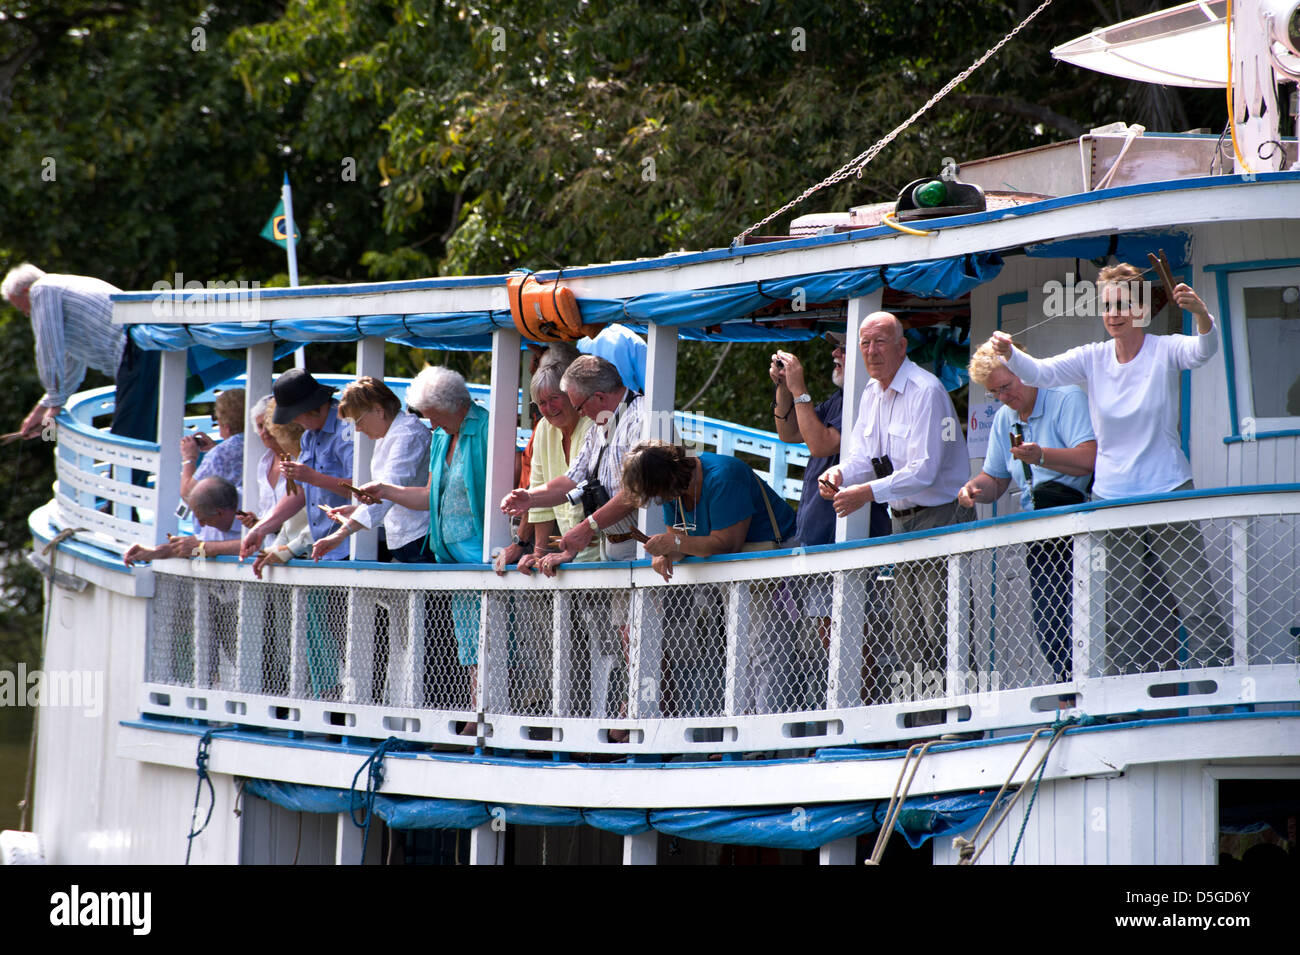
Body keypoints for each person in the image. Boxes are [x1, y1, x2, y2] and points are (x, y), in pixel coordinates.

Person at [990, 264, 1230, 672]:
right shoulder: (1093, 357)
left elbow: (1203, 351)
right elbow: (1041, 373)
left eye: (1122, 305)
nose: (1114, 314)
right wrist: (1011, 352)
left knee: (1197, 602)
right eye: (1107, 306)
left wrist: (1202, 316)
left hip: (1168, 487)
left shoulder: (1165, 348)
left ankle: (1225, 696)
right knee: (1117, 615)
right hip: (1112, 497)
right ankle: (1119, 705)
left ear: (1139, 309)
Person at [820, 312, 975, 698]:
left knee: (944, 628)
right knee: (907, 635)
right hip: (901, 521)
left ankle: (956, 720)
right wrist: (839, 475)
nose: (871, 352)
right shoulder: (870, 394)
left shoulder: (926, 390)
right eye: (865, 344)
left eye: (880, 342)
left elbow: (924, 470)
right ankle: (919, 721)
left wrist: (866, 493)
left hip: (940, 518)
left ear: (902, 346)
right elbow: (861, 458)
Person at [621, 439, 797, 714]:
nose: (659, 500)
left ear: (667, 476)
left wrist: (674, 545)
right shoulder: (673, 490)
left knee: (765, 651)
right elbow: (678, 541)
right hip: (736, 574)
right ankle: (744, 728)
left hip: (771, 566)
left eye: (656, 492)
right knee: (743, 652)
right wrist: (663, 554)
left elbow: (727, 544)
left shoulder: (725, 476)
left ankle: (763, 728)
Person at [959, 340, 1097, 682]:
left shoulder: (1066, 396)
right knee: (1049, 623)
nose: (1003, 398)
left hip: (1077, 520)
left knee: (1083, 618)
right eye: (994, 393)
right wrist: (974, 489)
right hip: (1038, 529)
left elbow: (1089, 459)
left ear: (1023, 369)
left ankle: (1090, 698)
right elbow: (995, 478)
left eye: (1006, 387)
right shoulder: (1004, 418)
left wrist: (1042, 456)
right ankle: (1069, 696)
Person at [358, 366, 487, 718]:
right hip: (448, 555)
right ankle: (470, 715)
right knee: (464, 645)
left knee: (484, 641)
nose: (430, 426)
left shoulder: (487, 429)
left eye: (433, 417)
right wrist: (384, 491)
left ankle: (481, 717)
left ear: (453, 407)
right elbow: (429, 496)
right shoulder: (444, 436)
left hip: (480, 557)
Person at [2, 264, 159, 446]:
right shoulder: (62, 288)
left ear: (26, 290)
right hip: (145, 348)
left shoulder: (42, 289)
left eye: (23, 308)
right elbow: (71, 366)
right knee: (140, 430)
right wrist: (42, 408)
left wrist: (55, 406)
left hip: (135, 350)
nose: (27, 314)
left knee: (126, 438)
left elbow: (49, 350)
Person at [769, 333, 889, 547]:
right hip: (815, 536)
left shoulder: (866, 398)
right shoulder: (840, 398)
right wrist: (783, 386)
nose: (835, 353)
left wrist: (798, 388)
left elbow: (820, 445)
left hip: (847, 538)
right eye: (836, 347)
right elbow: (790, 433)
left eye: (843, 348)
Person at [312, 377, 433, 563]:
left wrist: (341, 534)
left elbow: (388, 490)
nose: (358, 429)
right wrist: (356, 511)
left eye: (358, 421)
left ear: (379, 410)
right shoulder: (389, 433)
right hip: (407, 539)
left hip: (419, 538)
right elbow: (388, 498)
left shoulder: (408, 434)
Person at [240, 369, 354, 562]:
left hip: (352, 547)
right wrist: (260, 529)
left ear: (310, 408)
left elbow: (362, 491)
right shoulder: (309, 436)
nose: (293, 421)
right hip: (323, 550)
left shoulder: (347, 429)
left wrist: (313, 478)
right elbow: (299, 491)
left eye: (295, 415)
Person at [123, 476, 243, 565]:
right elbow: (195, 547)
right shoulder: (213, 519)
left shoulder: (254, 503)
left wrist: (204, 547)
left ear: (220, 513)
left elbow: (258, 544)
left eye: (203, 520)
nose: (201, 525)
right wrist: (152, 552)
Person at [181, 389, 246, 500]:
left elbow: (188, 494)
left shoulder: (219, 455)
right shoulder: (260, 443)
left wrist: (189, 458)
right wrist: (214, 448)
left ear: (226, 426)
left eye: (216, 418)